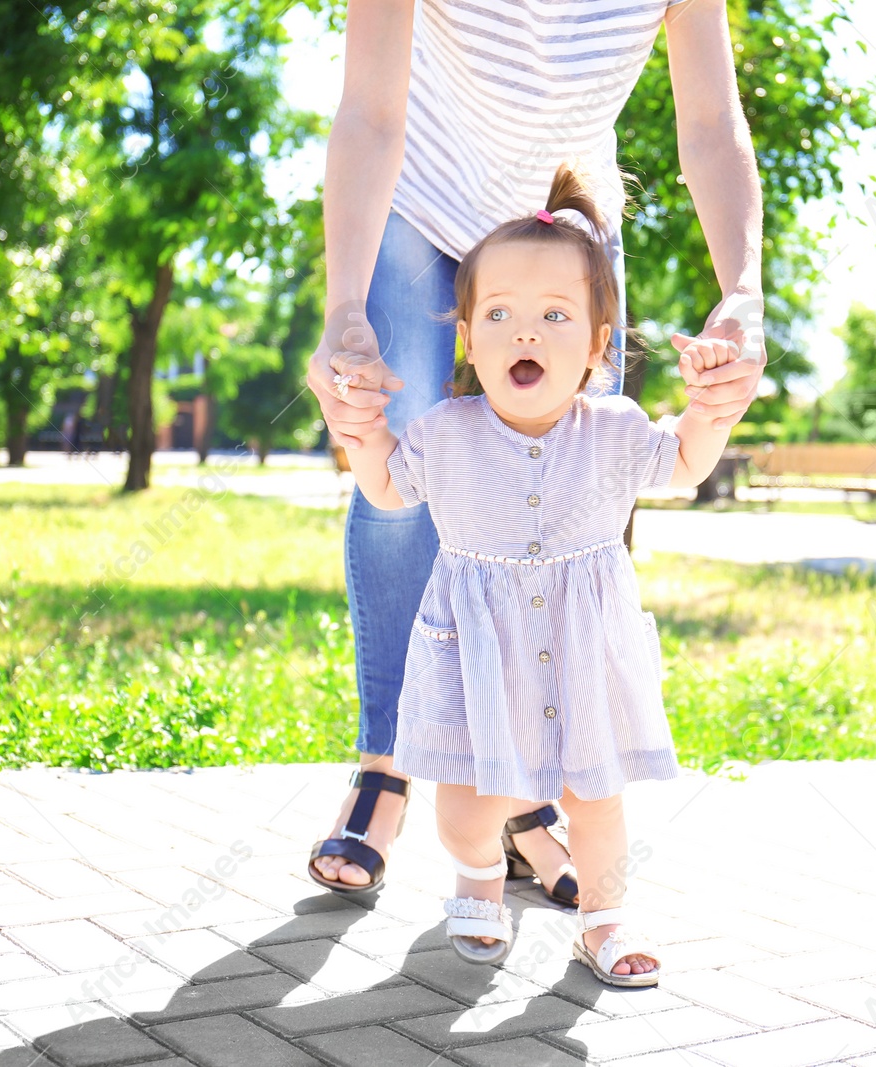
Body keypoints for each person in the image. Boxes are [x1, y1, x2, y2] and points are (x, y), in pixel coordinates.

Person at [304, 0, 768, 903]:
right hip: (416, 196)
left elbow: (710, 121)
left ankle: (528, 793)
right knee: (397, 466)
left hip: (566, 217)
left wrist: (743, 288)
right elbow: (369, 111)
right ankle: (389, 764)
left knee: (581, 493)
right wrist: (344, 308)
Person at [340, 164, 738, 985]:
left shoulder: (617, 430)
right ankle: (481, 873)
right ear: (469, 338)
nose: (526, 334)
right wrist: (359, 428)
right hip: (475, 653)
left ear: (598, 344)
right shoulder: (445, 433)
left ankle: (605, 915)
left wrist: (710, 409)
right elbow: (384, 487)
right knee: (464, 805)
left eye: (556, 316)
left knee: (598, 803)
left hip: (583, 648)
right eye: (500, 315)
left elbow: (687, 466)